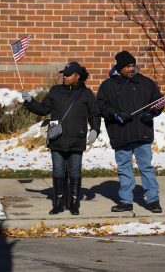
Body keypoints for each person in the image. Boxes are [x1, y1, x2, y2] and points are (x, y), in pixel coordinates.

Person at [21, 62, 101, 215]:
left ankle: (74, 203)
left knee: (75, 171)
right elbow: (43, 109)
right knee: (58, 170)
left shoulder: (86, 94)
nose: (65, 76)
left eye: (68, 74)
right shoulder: (55, 91)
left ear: (77, 76)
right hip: (57, 138)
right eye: (64, 74)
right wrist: (30, 101)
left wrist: (95, 130)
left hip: (77, 139)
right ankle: (58, 203)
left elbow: (94, 114)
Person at [97, 51, 163, 213]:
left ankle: (153, 199)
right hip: (121, 133)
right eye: (127, 66)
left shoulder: (146, 83)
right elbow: (101, 106)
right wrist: (115, 114)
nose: (131, 68)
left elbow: (158, 102)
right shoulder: (108, 86)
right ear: (119, 67)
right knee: (124, 167)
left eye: (133, 65)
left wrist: (153, 112)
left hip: (142, 132)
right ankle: (126, 200)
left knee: (146, 167)